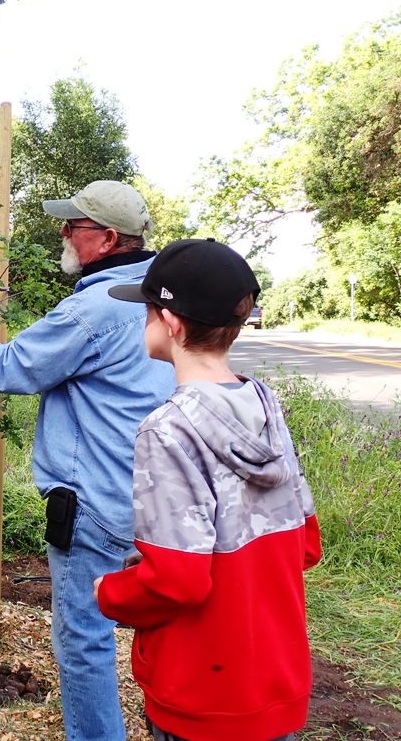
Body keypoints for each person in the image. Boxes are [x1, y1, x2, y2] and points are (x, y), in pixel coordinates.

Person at [0, 180, 177, 741]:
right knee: (160, 625)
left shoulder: (95, 308)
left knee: (84, 637)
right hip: (159, 497)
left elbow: (10, 368)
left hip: (95, 500)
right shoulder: (164, 296)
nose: (64, 231)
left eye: (75, 224)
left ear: (109, 238)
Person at [96, 238, 322, 741]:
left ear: (171, 324)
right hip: (273, 684)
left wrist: (110, 593)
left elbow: (178, 580)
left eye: (149, 311)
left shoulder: (167, 430)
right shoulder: (265, 407)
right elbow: (306, 543)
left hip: (201, 696)